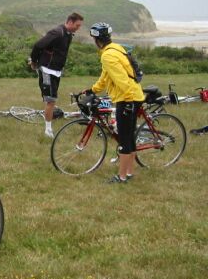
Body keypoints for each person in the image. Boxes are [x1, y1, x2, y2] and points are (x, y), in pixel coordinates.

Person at [82, 22, 145, 184]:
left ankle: (122, 177)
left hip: (127, 98)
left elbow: (122, 80)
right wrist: (93, 90)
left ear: (97, 40)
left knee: (124, 139)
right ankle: (129, 172)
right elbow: (106, 77)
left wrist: (129, 102)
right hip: (134, 95)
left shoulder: (107, 55)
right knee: (129, 137)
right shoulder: (115, 48)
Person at [30, 12, 84, 138]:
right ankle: (48, 130)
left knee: (52, 99)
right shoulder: (57, 32)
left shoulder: (69, 35)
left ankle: (49, 124)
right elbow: (38, 45)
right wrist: (34, 61)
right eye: (77, 25)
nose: (78, 28)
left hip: (56, 71)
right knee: (51, 100)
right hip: (47, 70)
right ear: (70, 21)